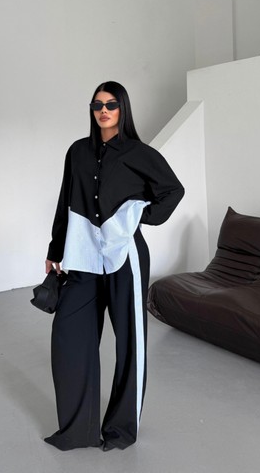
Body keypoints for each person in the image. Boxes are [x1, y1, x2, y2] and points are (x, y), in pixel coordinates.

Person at [44, 81, 184, 452]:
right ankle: (78, 429)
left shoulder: (140, 153)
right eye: (97, 105)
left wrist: (138, 217)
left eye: (111, 104)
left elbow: (173, 190)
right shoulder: (77, 152)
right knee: (69, 335)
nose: (103, 111)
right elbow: (65, 201)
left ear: (123, 108)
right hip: (83, 257)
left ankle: (121, 430)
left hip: (127, 258)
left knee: (130, 343)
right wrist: (55, 249)